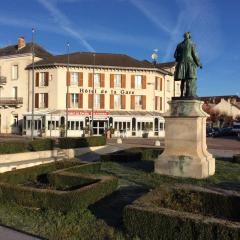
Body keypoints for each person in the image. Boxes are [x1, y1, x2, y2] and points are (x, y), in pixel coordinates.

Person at [174, 32, 202, 98]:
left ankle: (181, 95)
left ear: (184, 36)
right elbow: (194, 55)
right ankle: (190, 94)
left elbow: (175, 55)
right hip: (189, 63)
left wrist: (180, 59)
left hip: (181, 63)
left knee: (182, 80)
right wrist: (199, 63)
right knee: (190, 78)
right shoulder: (192, 44)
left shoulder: (179, 45)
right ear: (189, 36)